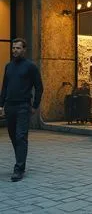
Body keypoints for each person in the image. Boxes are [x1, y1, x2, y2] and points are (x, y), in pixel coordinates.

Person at [0, 38, 43, 182]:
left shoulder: (30, 66)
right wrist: (1, 105)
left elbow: (39, 87)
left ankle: (19, 169)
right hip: (9, 106)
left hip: (23, 107)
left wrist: (35, 106)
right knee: (13, 137)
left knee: (21, 137)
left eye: (18, 48)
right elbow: (4, 87)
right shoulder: (8, 66)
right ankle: (21, 161)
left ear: (24, 49)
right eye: (13, 48)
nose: (15, 51)